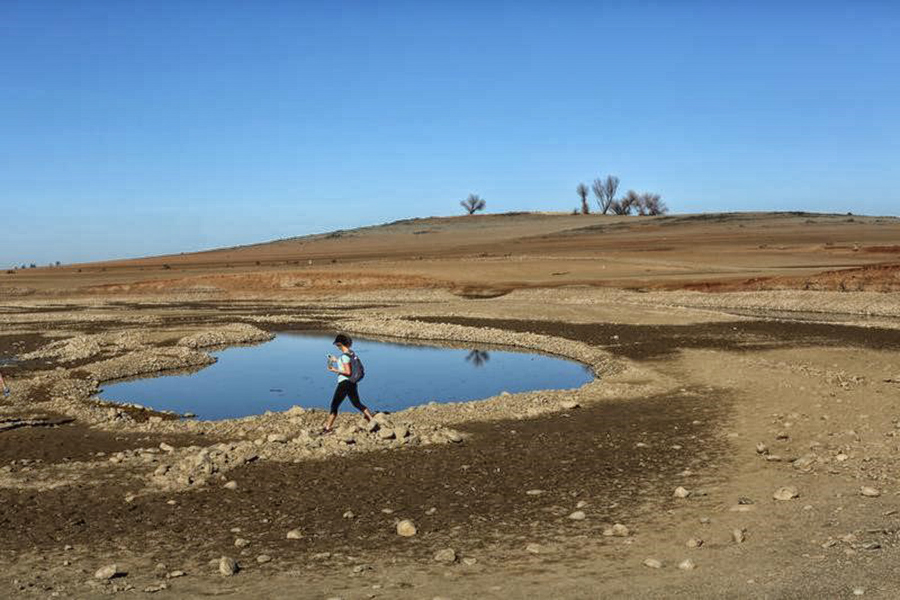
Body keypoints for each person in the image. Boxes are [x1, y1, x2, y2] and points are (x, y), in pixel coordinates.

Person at [323, 334, 374, 433]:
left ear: (340, 344)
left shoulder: (344, 357)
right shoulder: (351, 353)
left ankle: (327, 428)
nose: (337, 347)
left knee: (334, 405)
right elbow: (346, 363)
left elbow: (348, 372)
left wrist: (335, 370)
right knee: (356, 403)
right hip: (352, 382)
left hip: (344, 383)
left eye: (337, 345)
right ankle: (372, 420)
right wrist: (336, 360)